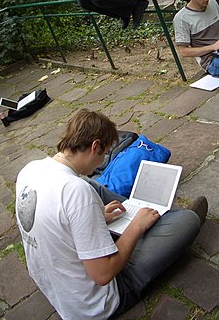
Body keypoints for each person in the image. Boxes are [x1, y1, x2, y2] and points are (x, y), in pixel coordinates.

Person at [16, 108, 208, 319]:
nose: (102, 162)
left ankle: (142, 212)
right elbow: (103, 274)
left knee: (89, 183)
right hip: (99, 303)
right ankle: (157, 223)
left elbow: (58, 221)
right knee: (187, 220)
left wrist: (96, 217)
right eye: (105, 153)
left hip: (59, 290)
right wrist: (136, 226)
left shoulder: (30, 169)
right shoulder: (75, 191)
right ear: (95, 146)